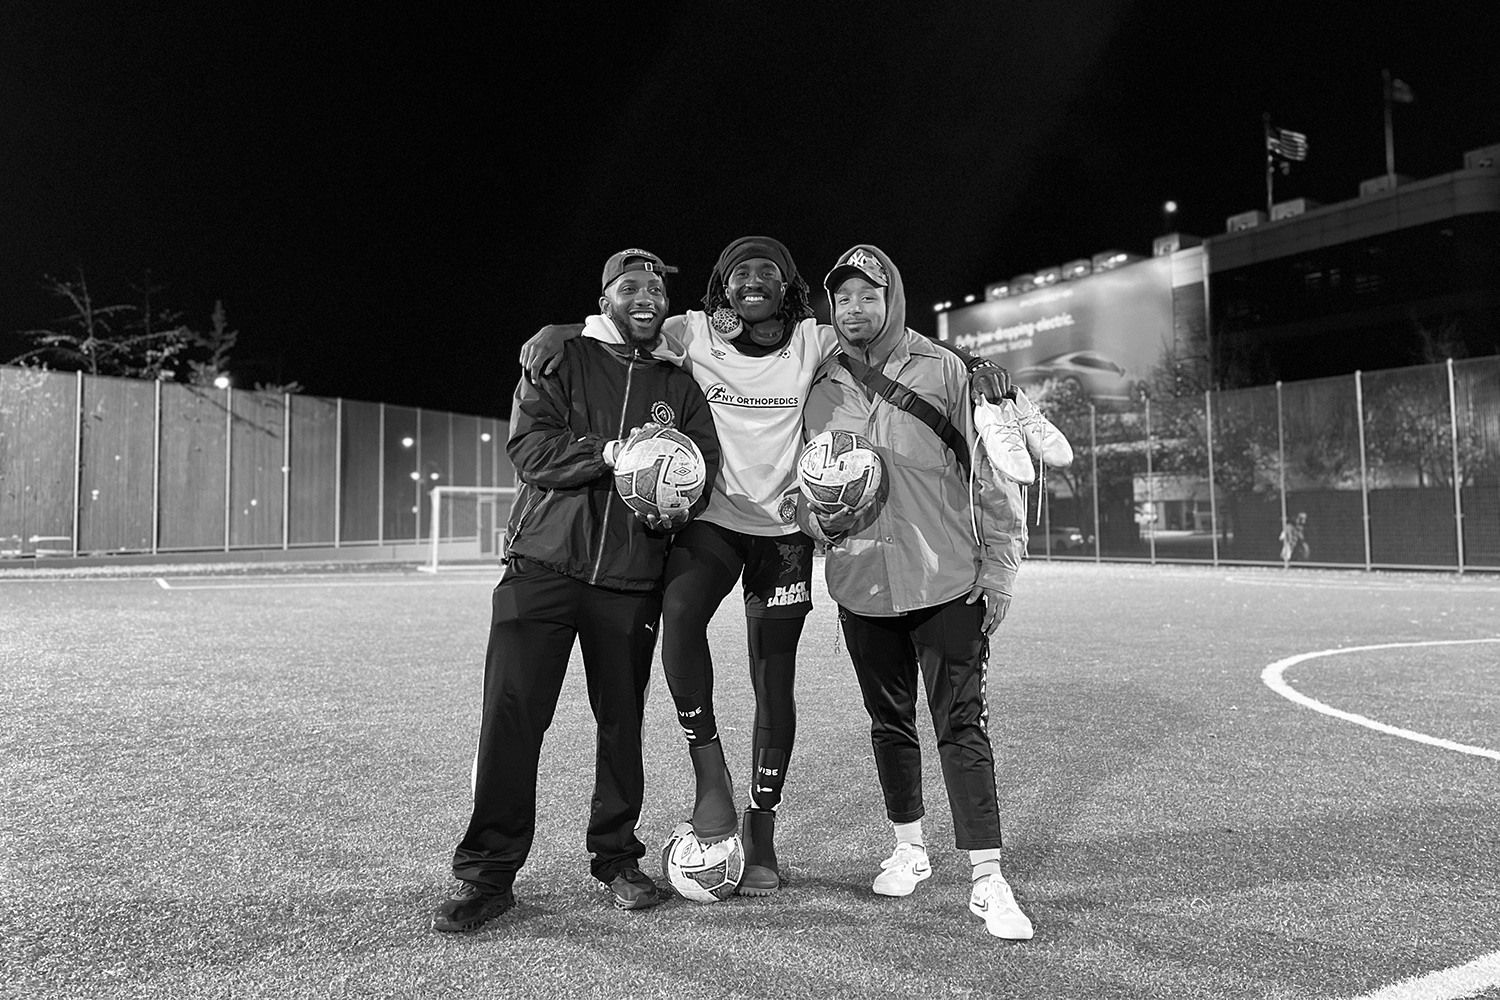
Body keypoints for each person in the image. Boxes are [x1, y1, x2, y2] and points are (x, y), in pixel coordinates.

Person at [520, 237, 1016, 897]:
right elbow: (618, 330)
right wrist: (559, 333)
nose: (753, 280)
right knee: (679, 618)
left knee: (772, 678)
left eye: (769, 272)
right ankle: (712, 783)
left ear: (788, 289)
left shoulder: (814, 340)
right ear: (720, 288)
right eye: (739, 272)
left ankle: (762, 833)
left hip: (784, 534)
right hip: (715, 523)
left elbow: (898, 341)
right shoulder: (690, 332)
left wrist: (976, 360)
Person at [432, 249, 721, 932]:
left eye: (655, 288)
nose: (645, 296)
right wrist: (614, 454)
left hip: (629, 578)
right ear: (606, 297)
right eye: (631, 286)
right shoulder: (560, 356)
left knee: (621, 727)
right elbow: (530, 449)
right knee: (512, 720)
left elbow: (700, 468)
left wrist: (676, 499)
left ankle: (617, 858)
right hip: (542, 567)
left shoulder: (679, 384)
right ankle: (488, 875)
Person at [799, 244, 1035, 940]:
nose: (854, 308)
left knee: (962, 726)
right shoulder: (821, 384)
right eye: (842, 298)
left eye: (867, 295)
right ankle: (909, 848)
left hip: (947, 581)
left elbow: (994, 478)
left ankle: (989, 879)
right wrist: (817, 517)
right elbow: (802, 487)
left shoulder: (949, 371)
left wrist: (999, 571)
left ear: (893, 298)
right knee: (888, 723)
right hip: (860, 584)